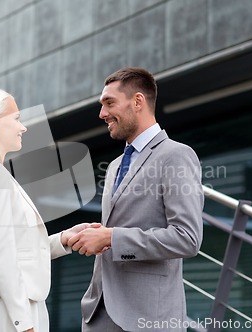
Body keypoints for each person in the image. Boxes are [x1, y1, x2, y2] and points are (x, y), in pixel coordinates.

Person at [68, 67, 204, 331]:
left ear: (138, 101)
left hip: (147, 318)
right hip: (99, 313)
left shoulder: (176, 155)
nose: (102, 113)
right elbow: (120, 225)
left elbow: (187, 238)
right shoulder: (115, 166)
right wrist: (98, 235)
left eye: (109, 103)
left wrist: (111, 237)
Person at [0, 89, 97, 332]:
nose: (23, 128)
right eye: (17, 118)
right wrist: (24, 323)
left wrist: (64, 239)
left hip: (12, 304)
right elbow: (1, 253)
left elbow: (17, 248)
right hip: (10, 309)